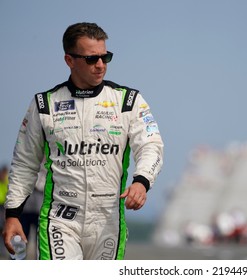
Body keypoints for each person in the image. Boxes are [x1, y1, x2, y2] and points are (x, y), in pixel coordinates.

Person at [2, 22, 164, 260]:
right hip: (60, 219)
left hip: (108, 220)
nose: (100, 65)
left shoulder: (128, 101)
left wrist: (141, 182)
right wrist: (13, 214)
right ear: (69, 60)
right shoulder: (44, 105)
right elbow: (24, 163)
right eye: (91, 59)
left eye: (105, 57)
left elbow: (151, 145)